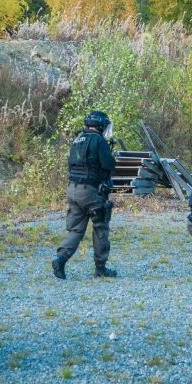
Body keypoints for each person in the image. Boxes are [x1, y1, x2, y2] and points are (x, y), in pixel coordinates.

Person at [50, 111, 117, 280]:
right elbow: (108, 164)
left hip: (73, 189)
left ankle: (61, 259)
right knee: (100, 227)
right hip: (90, 191)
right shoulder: (99, 140)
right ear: (101, 125)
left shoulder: (77, 139)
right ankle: (100, 268)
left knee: (76, 230)